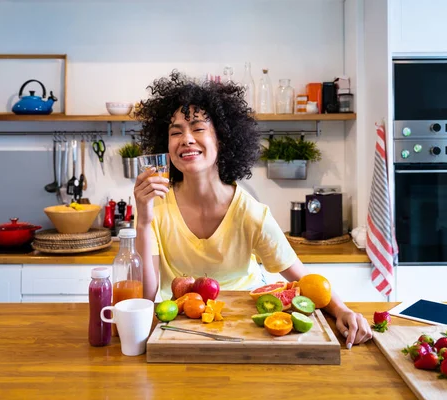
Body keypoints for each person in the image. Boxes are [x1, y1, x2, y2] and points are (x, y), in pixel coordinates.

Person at [133, 71, 372, 348]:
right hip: (177, 328)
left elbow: (304, 280)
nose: (186, 139)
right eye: (176, 132)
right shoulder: (155, 207)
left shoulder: (251, 212)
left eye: (198, 128)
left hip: (246, 327)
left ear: (221, 139)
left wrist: (342, 310)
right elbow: (146, 296)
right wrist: (143, 222)